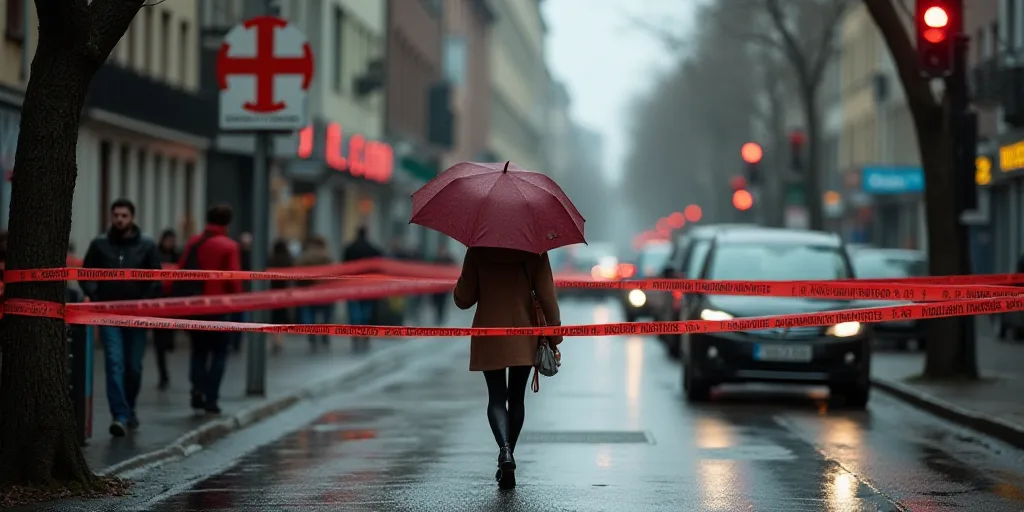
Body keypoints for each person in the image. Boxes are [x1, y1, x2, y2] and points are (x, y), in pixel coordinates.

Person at [454, 247, 562, 490]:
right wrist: (554, 336)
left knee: (496, 397)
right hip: (524, 334)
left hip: (488, 333)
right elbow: (547, 296)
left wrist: (462, 283)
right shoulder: (535, 252)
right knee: (516, 399)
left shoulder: (478, 250)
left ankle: (504, 452)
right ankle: (508, 455)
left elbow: (463, 299)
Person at [81, 199, 163, 437]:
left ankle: (130, 408)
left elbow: (156, 278)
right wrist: (94, 294)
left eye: (124, 215)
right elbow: (85, 274)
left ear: (132, 218)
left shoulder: (147, 245)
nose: (119, 219)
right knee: (114, 363)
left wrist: (144, 300)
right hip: (109, 314)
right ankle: (120, 415)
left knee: (134, 367)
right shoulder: (99, 244)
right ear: (111, 216)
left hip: (137, 316)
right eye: (116, 215)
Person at [179, 204, 242, 414]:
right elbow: (234, 279)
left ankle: (197, 388)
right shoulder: (229, 246)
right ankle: (211, 397)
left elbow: (181, 268)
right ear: (228, 223)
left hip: (195, 305)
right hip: (219, 307)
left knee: (198, 350)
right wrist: (240, 301)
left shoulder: (194, 242)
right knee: (220, 352)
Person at [343, 227, 382, 351]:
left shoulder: (349, 249)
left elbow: (344, 267)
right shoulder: (374, 250)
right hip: (369, 286)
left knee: (354, 310)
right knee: (367, 311)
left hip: (352, 285)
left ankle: (355, 334)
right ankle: (365, 333)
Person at [295, 235, 334, 350]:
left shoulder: (305, 257)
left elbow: (297, 273)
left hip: (309, 291)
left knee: (309, 314)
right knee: (326, 316)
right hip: (326, 292)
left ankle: (312, 335)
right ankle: (325, 334)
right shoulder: (327, 256)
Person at [153, 229, 181, 390]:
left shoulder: (177, 256)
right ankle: (163, 375)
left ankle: (168, 346)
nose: (170, 243)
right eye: (168, 240)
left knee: (168, 340)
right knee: (160, 344)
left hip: (172, 303)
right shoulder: (155, 255)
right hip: (157, 303)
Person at [267, 239, 295, 354]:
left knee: (275, 317)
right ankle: (279, 340)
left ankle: (275, 339)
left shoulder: (271, 260)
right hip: (285, 293)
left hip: (273, 292)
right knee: (282, 317)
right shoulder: (288, 259)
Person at [230, 231, 254, 352]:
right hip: (237, 291)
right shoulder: (239, 255)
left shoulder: (250, 256)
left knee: (240, 317)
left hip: (243, 291)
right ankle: (235, 341)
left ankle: (236, 342)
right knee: (237, 317)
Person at [432, 243, 455, 324]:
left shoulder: (449, 260)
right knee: (436, 303)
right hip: (436, 286)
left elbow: (453, 270)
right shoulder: (435, 260)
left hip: (444, 286)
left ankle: (440, 318)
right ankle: (437, 317)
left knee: (442, 303)